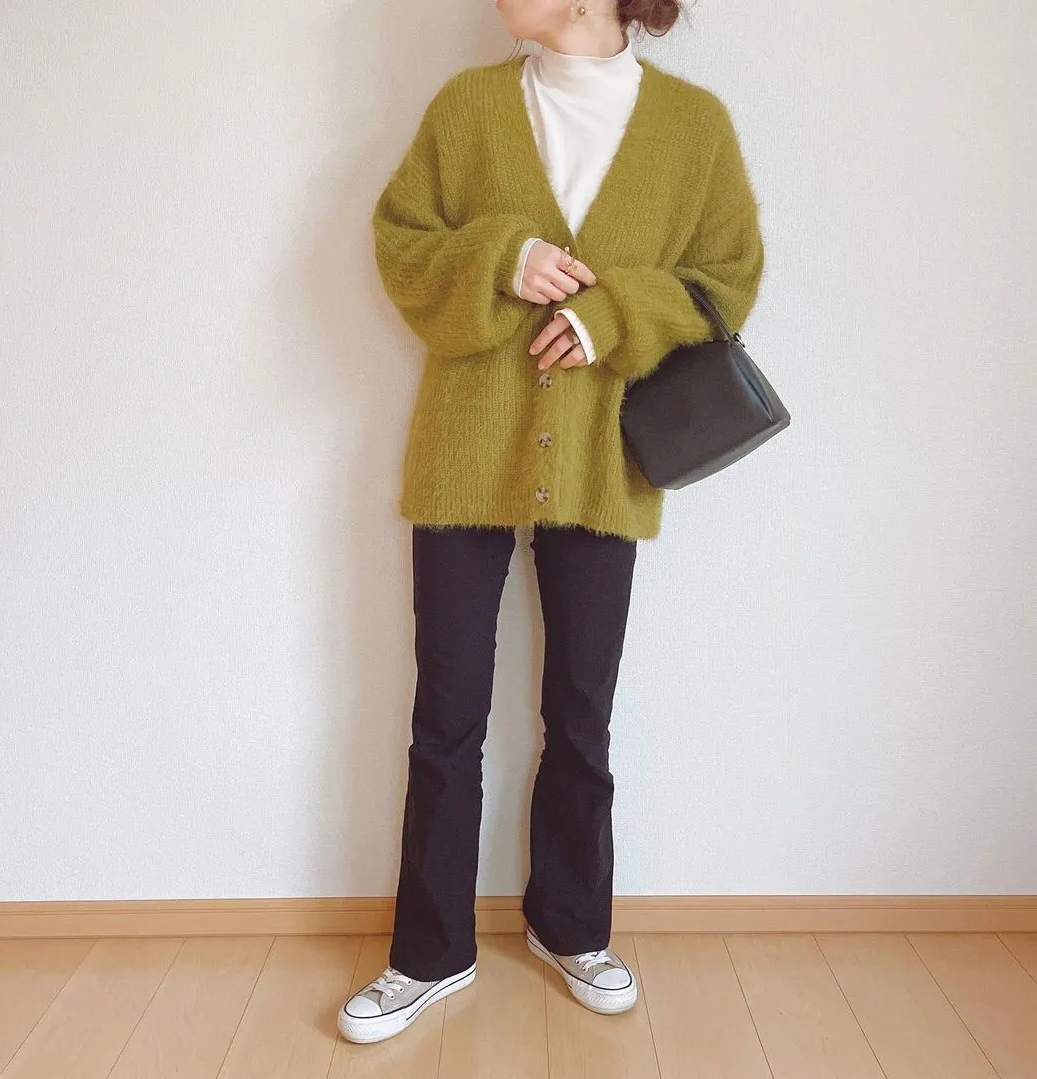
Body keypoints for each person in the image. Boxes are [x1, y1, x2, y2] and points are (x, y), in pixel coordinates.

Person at [337, 0, 765, 1045]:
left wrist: (612, 313)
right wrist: (503, 256)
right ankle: (427, 951)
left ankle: (572, 925)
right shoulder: (468, 108)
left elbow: (727, 281)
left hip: (605, 459)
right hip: (463, 452)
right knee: (445, 714)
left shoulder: (694, 127)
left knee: (580, 713)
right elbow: (400, 241)